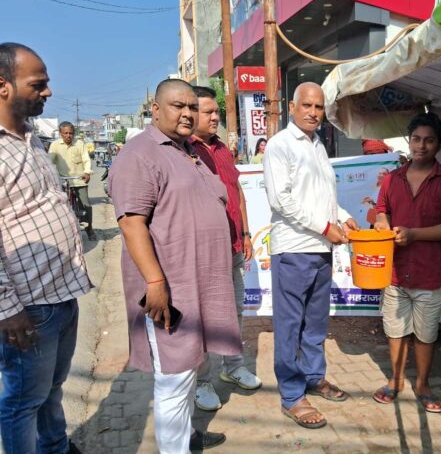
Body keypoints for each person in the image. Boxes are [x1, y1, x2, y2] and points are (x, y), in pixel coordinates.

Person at [109, 79, 241, 453]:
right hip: (170, 288)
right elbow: (131, 223)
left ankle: (186, 436)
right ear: (155, 110)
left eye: (192, 107)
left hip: (199, 284)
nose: (187, 113)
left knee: (190, 367)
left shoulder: (189, 151)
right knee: (174, 375)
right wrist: (155, 281)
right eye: (177, 106)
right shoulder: (139, 154)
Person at [0, 42, 91, 454]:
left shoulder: (30, 136)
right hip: (27, 305)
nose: (48, 91)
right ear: (3, 86)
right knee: (23, 401)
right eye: (38, 84)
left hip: (60, 294)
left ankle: (54, 446)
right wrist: (7, 308)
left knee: (52, 388)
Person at [263, 82, 359, 429]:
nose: (313, 113)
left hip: (321, 249)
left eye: (319, 107)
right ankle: (292, 395)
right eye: (307, 105)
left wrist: (342, 215)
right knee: (290, 326)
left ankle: (314, 377)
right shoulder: (280, 145)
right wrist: (325, 226)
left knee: (316, 322)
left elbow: (320, 196)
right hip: (295, 249)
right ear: (292, 107)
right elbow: (281, 200)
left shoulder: (318, 145)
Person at [372, 113, 441, 413]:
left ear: (439, 145)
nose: (421, 146)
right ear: (409, 140)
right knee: (395, 329)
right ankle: (396, 379)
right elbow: (381, 209)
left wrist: (414, 234)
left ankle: (423, 384)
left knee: (426, 333)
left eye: (429, 140)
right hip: (395, 269)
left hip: (430, 270)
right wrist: (382, 222)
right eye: (416, 139)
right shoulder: (392, 179)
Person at [190, 86, 261, 411]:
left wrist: (245, 232)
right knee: (205, 318)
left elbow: (237, 192)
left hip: (233, 245)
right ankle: (202, 381)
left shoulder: (221, 149)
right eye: (208, 112)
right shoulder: (184, 152)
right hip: (205, 252)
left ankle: (233, 367)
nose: (215, 117)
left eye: (216, 111)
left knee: (234, 311)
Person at [49, 121, 96, 240]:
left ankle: (89, 228)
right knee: (57, 206)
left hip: (79, 180)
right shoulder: (55, 145)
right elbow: (49, 161)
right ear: (60, 133)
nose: (68, 135)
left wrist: (87, 172)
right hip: (62, 181)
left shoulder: (79, 144)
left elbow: (86, 159)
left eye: (70, 133)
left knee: (86, 205)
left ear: (74, 133)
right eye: (65, 133)